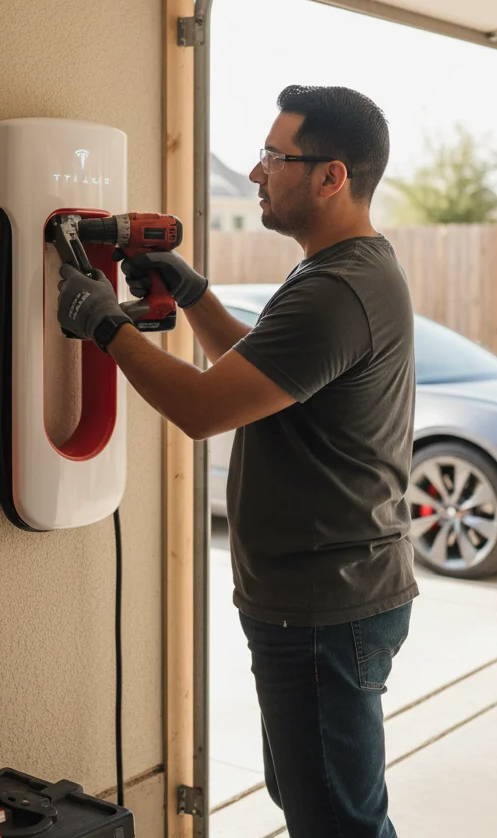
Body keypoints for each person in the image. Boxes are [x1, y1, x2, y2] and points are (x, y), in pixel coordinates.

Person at [56, 85, 417, 837]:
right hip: (320, 599)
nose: (257, 173)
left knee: (338, 824)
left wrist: (104, 326)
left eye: (274, 156)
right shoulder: (339, 274)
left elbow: (201, 409)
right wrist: (193, 296)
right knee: (315, 807)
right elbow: (253, 379)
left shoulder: (337, 290)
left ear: (331, 177)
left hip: (325, 606)